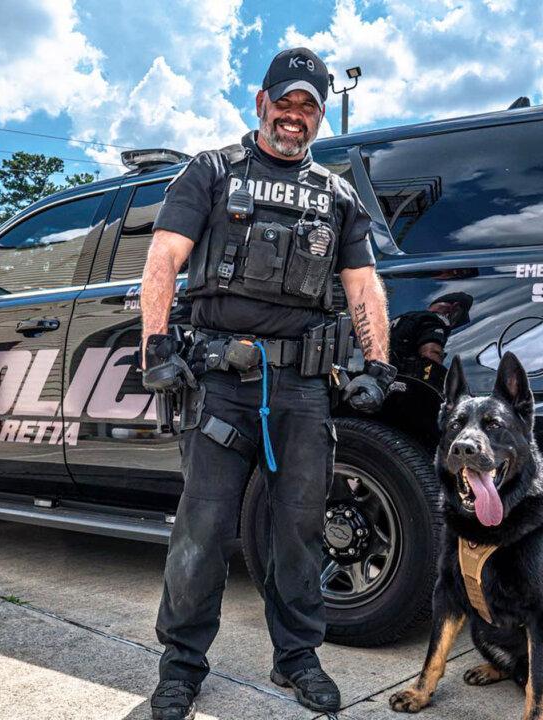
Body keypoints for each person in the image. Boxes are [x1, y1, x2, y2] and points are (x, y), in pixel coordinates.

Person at [140, 47, 395, 720]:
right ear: (261, 102)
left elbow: (363, 285)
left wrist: (377, 362)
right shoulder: (211, 172)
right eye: (284, 102)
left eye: (308, 106)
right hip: (221, 382)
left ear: (318, 117)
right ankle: (180, 668)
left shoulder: (337, 196)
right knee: (202, 529)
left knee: (300, 534)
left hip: (303, 390)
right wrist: (157, 346)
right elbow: (164, 255)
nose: (295, 115)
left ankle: (298, 659)